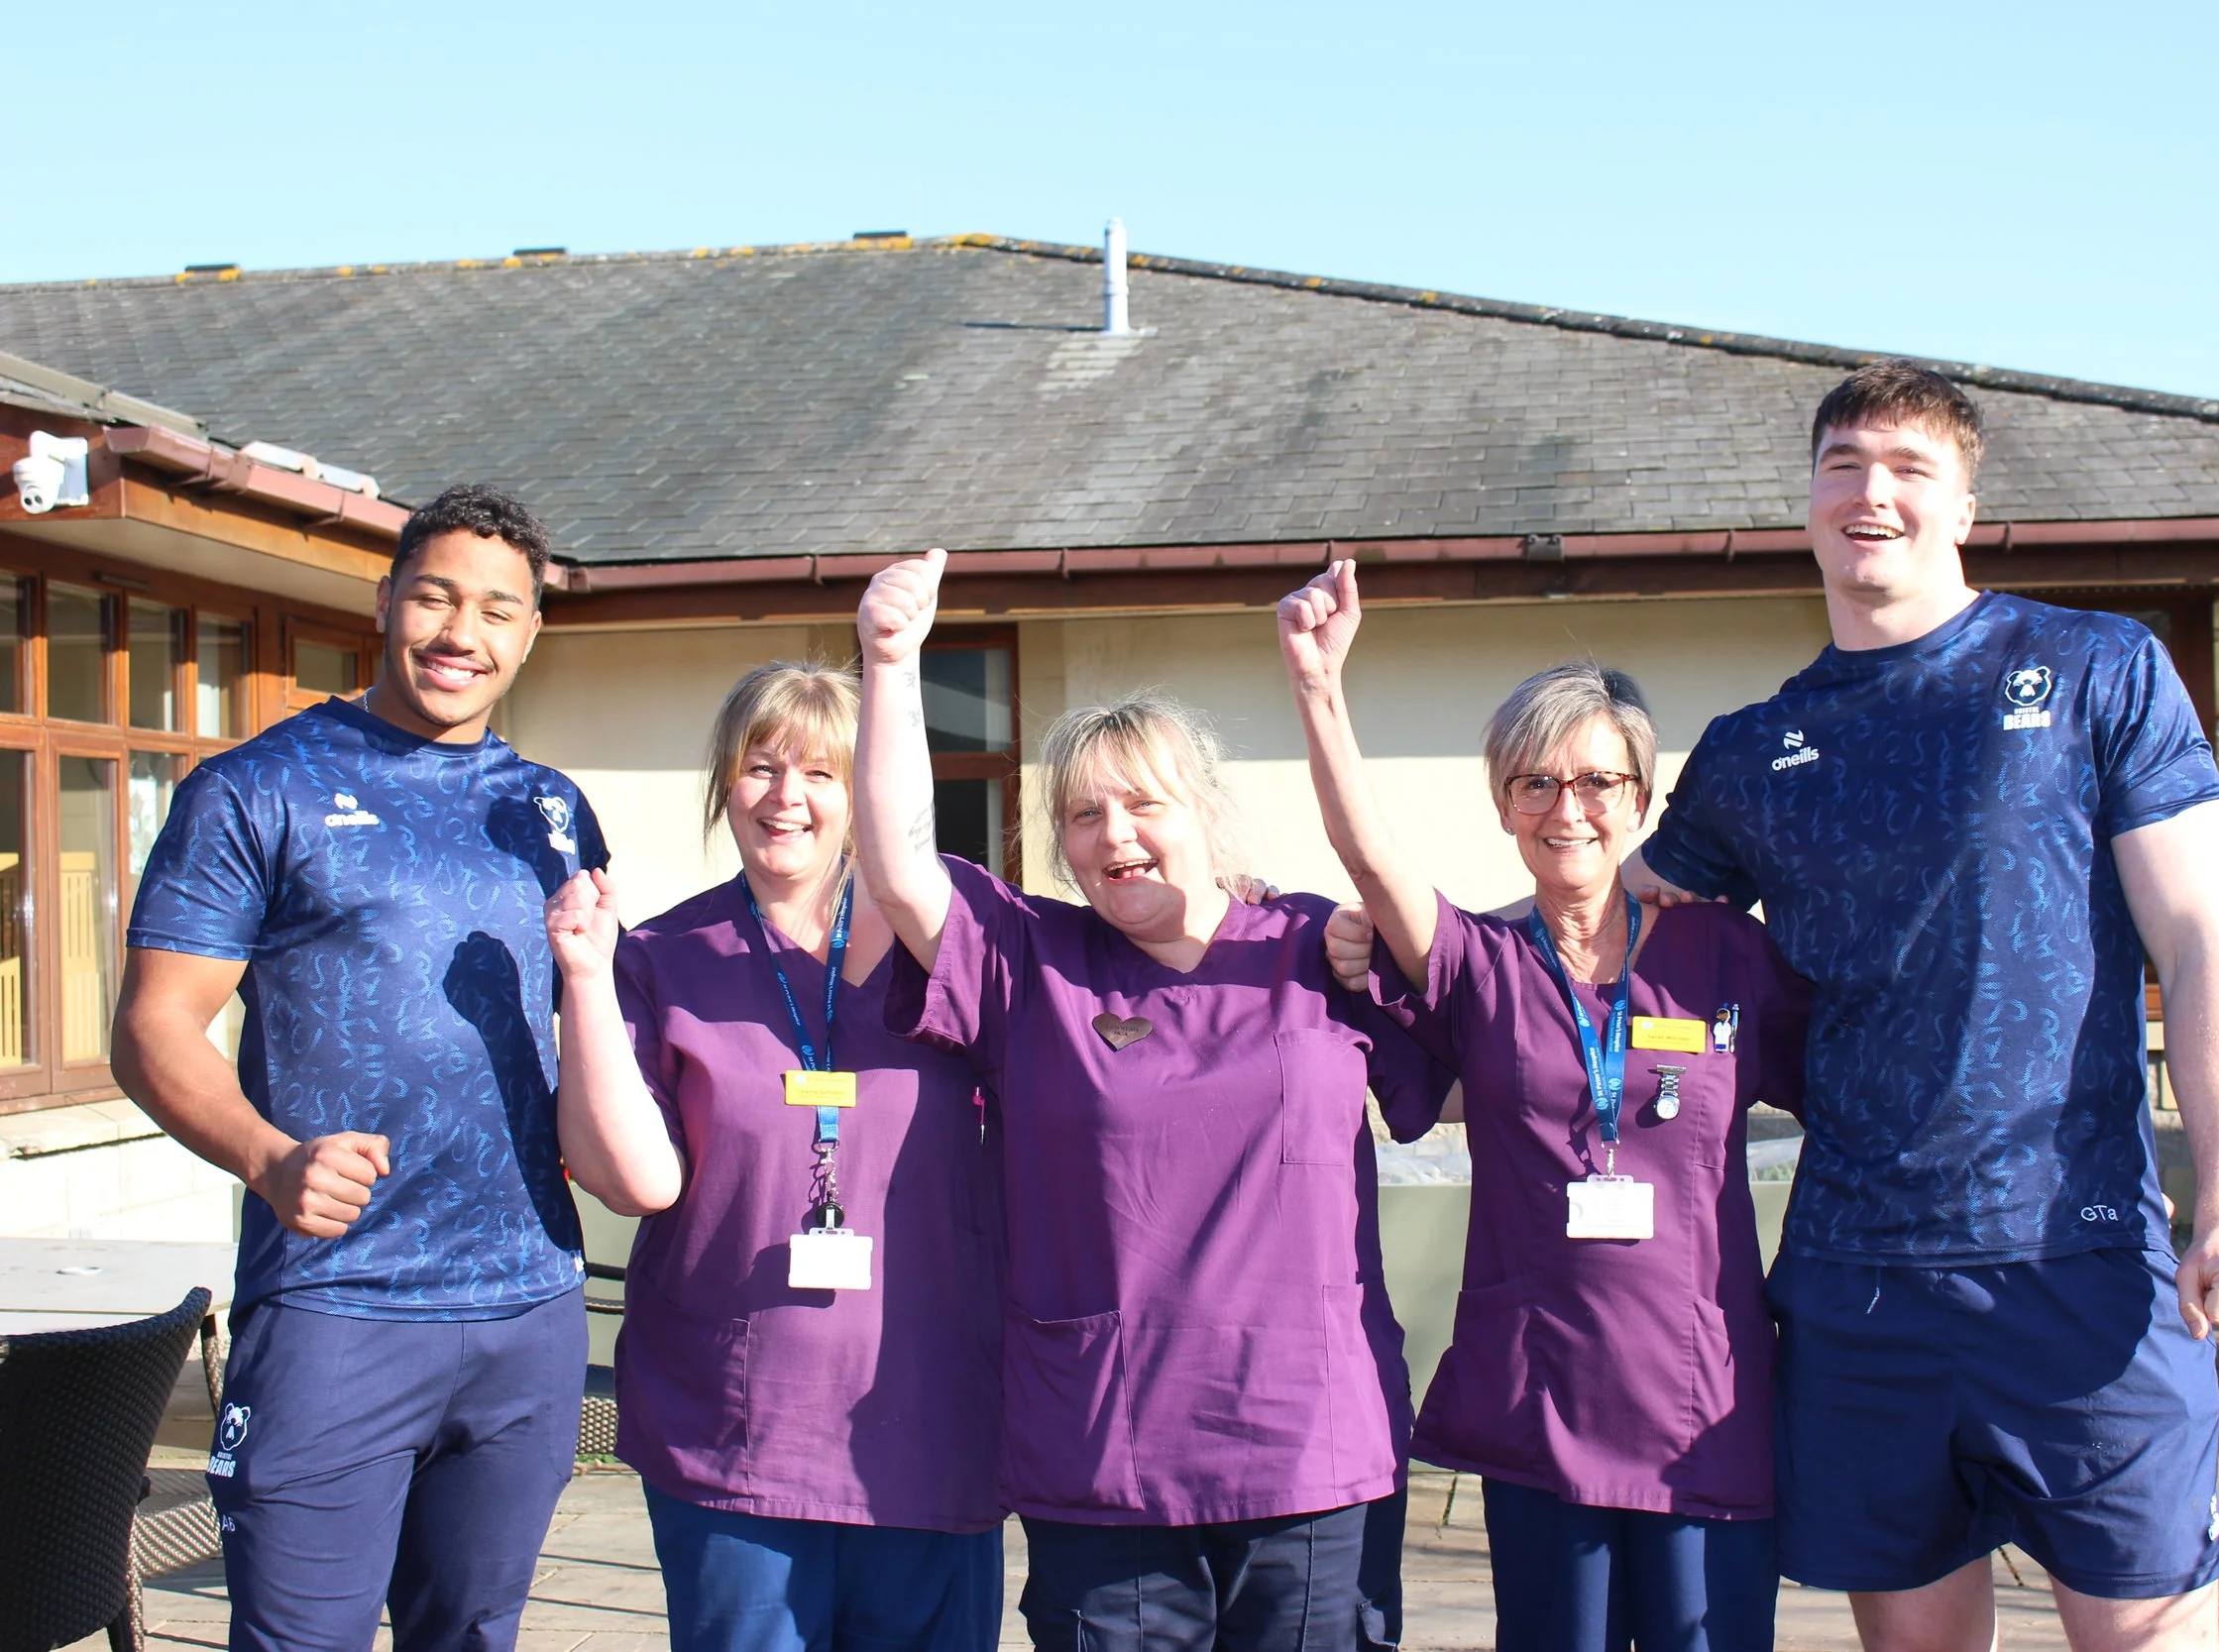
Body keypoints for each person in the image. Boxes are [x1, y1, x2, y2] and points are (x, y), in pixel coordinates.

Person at [1631, 360, 2219, 1651]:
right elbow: (1590, 917)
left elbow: (2204, 940)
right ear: (1809, 499)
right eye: (1844, 466)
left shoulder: (2098, 666)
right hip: (1858, 1284)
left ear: (1965, 503)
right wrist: (1330, 929)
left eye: (1908, 467)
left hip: (2082, 1270)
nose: (1871, 492)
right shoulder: (1752, 751)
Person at [850, 548, 1441, 1652]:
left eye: (1142, 803)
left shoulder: (1320, 946)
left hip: (1306, 1435)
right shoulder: (1029, 962)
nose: (1113, 835)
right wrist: (891, 661)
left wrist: (1320, 685)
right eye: (1082, 814)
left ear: (1205, 811)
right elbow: (898, 869)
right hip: (1103, 1445)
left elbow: (1471, 998)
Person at [1281, 562, 1811, 1652]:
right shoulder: (1480, 962)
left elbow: (1853, 1073)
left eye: (1597, 782)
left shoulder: (1728, 952)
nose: (1566, 808)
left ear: (1639, 798)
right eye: (1535, 782)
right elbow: (1371, 863)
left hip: (1705, 1400)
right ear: (1503, 802)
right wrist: (1318, 684)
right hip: (1545, 1404)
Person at [112, 485, 603, 1652]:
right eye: (433, 595)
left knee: (475, 1631)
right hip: (339, 1303)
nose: (459, 633)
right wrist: (268, 1154)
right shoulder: (254, 788)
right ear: (384, 601)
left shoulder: (552, 810)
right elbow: (154, 1027)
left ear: (530, 631)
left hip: (528, 1303)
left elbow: (594, 1017)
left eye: (496, 608)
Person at [544, 661, 1007, 1652]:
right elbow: (635, 1179)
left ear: (864, 791)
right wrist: (583, 980)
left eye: (820, 772)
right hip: (732, 1429)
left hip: (930, 1424)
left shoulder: (951, 934)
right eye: (760, 766)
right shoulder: (663, 955)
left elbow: (1096, 983)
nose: (785, 795)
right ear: (724, 782)